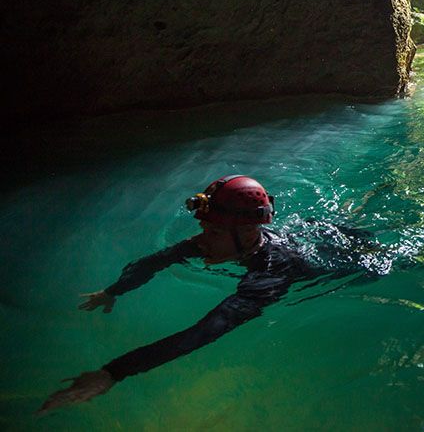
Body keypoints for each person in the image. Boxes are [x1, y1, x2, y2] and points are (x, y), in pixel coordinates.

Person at [39, 175, 341, 412]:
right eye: (205, 228)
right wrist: (113, 291)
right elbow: (157, 260)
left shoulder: (270, 275)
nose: (200, 240)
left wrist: (113, 372)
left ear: (249, 232)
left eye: (215, 233)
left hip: (343, 264)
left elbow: (202, 333)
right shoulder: (228, 241)